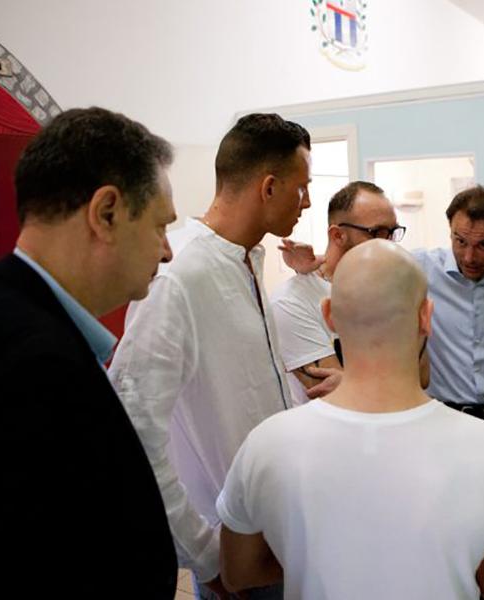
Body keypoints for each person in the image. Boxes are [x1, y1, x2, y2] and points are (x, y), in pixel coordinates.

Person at [217, 240, 484, 600]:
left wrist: (314, 558)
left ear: (328, 314)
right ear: (426, 316)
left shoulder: (267, 444)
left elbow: (238, 572)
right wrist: (474, 562)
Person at [109, 113, 312, 600]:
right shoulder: (179, 276)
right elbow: (134, 434)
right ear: (268, 187)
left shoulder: (246, 259)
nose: (306, 202)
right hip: (233, 549)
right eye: (301, 188)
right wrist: (204, 555)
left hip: (278, 529)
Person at [0, 107, 178, 597]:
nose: (167, 252)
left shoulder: (33, 328)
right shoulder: (35, 364)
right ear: (107, 213)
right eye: (160, 226)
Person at [283, 185, 484, 442]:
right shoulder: (421, 267)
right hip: (440, 417)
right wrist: (318, 264)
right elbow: (367, 266)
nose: (469, 257)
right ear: (450, 231)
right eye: (460, 241)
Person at [271, 180, 424, 404]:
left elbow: (420, 379)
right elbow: (333, 396)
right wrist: (385, 385)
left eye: (392, 233)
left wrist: (351, 383)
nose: (389, 244)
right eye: (377, 232)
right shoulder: (291, 301)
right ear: (338, 235)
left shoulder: (388, 289)